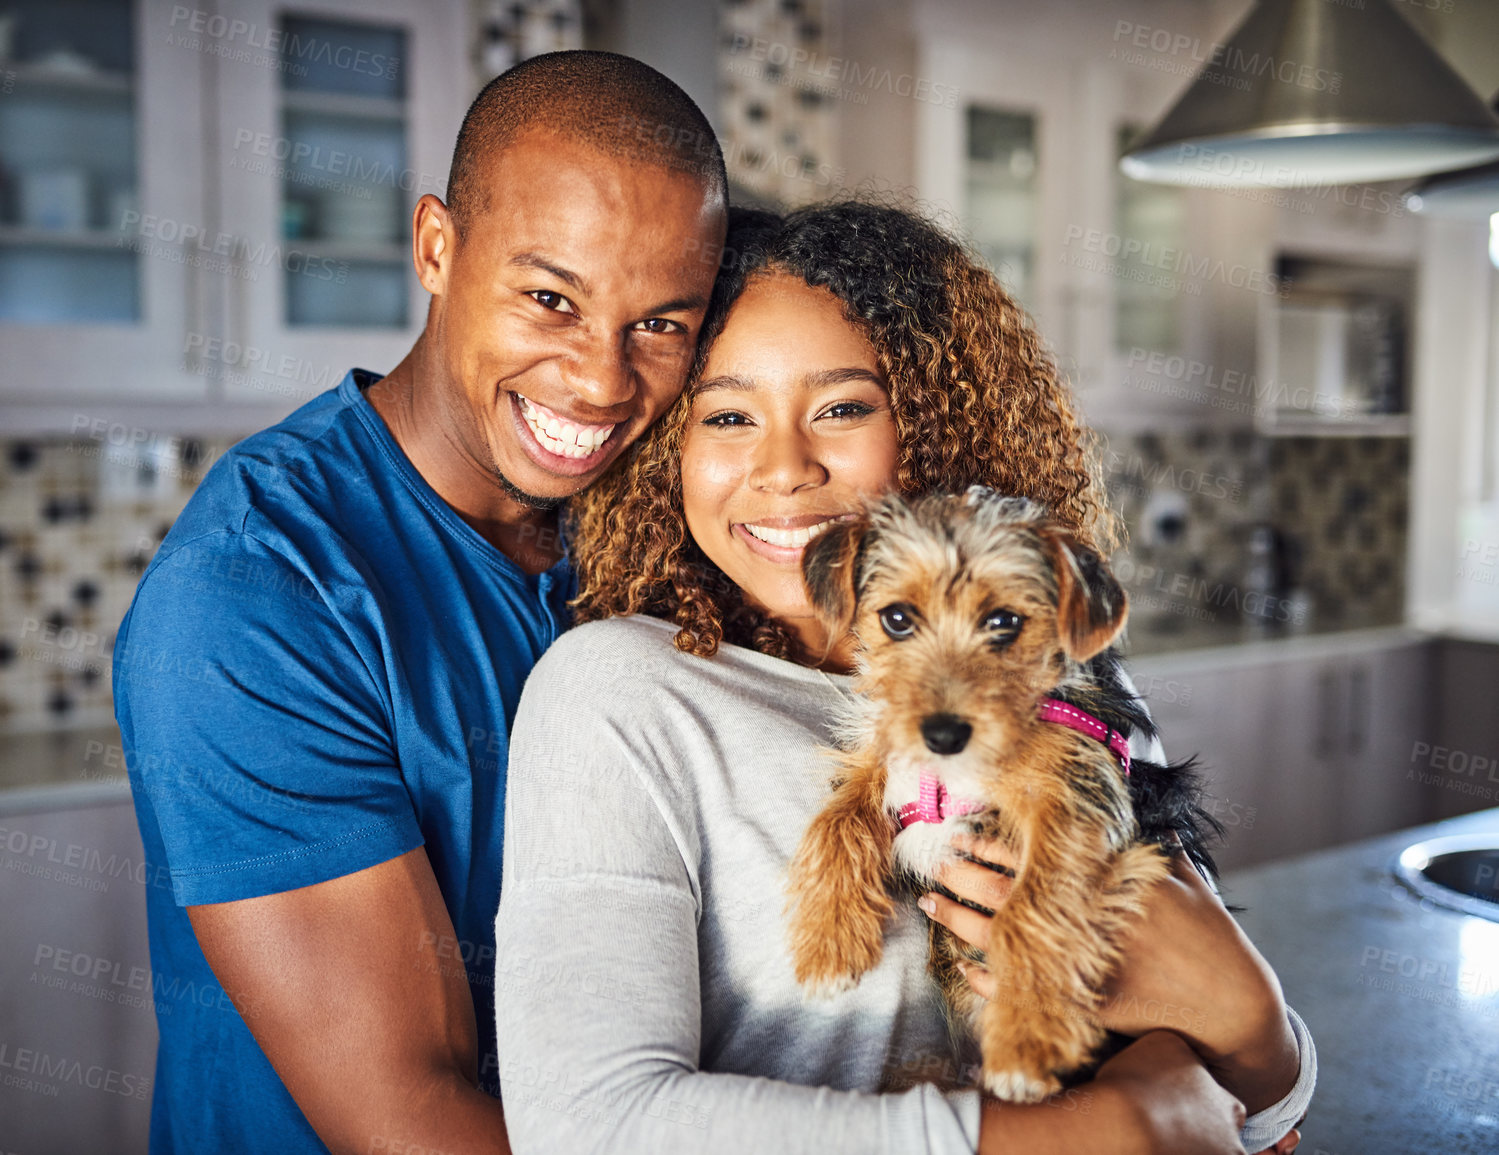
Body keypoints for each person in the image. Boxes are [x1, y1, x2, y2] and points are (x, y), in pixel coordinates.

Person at [495, 202, 1316, 1154]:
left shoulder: (1064, 677)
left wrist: (1258, 1028)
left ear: (927, 417)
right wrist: (1092, 1128)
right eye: (725, 415)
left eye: (843, 407)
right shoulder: (619, 694)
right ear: (669, 446)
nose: (784, 467)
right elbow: (584, 1131)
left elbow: (1242, 1115)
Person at [111, 51, 728, 1154]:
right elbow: (415, 1117)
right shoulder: (255, 594)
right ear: (437, 247)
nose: (599, 381)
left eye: (661, 325)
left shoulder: (657, 520)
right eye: (551, 300)